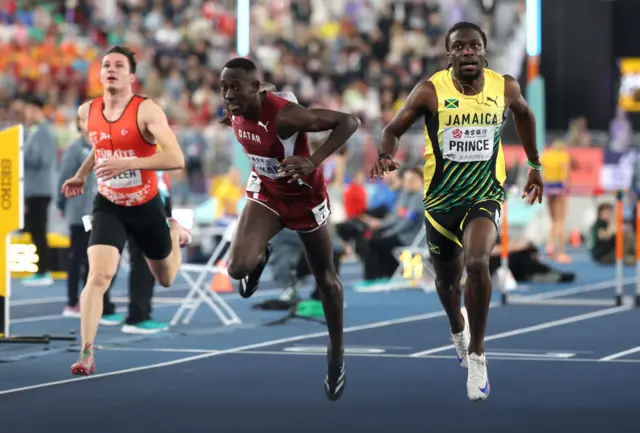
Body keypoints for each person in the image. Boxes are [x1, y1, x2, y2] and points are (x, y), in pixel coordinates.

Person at [370, 22, 544, 401]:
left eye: (474, 46)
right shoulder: (431, 91)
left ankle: (478, 356)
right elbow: (392, 128)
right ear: (448, 54)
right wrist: (385, 154)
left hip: (484, 196)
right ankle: (457, 329)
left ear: (484, 52)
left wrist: (535, 164)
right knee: (447, 284)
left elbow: (525, 115)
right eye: (459, 47)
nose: (468, 52)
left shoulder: (505, 87)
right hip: (440, 204)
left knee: (479, 264)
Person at [219, 57, 359, 401]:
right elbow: (256, 97)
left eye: (235, 87)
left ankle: (336, 351)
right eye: (223, 87)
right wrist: (232, 110)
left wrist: (312, 161)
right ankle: (261, 250)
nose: (227, 94)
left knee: (325, 277)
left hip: (303, 197)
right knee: (237, 268)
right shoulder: (236, 106)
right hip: (267, 192)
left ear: (254, 88)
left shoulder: (284, 116)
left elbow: (349, 122)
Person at [61, 45, 191, 376]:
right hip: (109, 205)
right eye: (106, 65)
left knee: (165, 278)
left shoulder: (147, 111)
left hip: (147, 204)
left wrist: (128, 162)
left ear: (131, 76)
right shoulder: (86, 111)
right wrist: (81, 174)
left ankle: (174, 231)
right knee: (99, 275)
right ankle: (86, 353)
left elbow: (176, 159)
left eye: (119, 65)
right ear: (100, 73)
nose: (111, 69)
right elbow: (99, 146)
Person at [57, 119, 123, 325]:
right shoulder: (75, 149)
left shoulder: (102, 146)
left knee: (94, 259)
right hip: (79, 213)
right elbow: (64, 177)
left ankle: (94, 302)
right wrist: (62, 203)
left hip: (97, 211)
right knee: (77, 257)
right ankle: (72, 302)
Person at [21, 95, 56, 287]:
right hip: (33, 189)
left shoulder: (43, 132)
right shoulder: (33, 131)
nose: (27, 114)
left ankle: (44, 270)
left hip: (40, 188)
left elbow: (42, 159)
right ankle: (41, 269)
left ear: (36, 110)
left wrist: (21, 155)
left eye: (29, 110)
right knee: (35, 230)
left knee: (39, 230)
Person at [540, 139, 571, 262]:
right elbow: (566, 172)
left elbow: (540, 170)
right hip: (559, 187)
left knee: (553, 220)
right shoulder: (563, 155)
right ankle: (561, 252)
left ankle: (550, 245)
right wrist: (566, 186)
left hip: (548, 187)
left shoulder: (546, 155)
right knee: (560, 221)